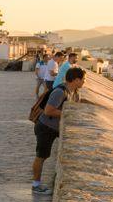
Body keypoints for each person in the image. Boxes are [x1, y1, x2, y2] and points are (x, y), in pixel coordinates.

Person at [31, 66, 85, 195]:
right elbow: (49, 110)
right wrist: (67, 113)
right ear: (76, 80)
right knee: (41, 156)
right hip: (45, 127)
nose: (84, 82)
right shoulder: (60, 92)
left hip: (55, 128)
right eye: (82, 79)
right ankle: (36, 185)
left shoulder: (73, 91)